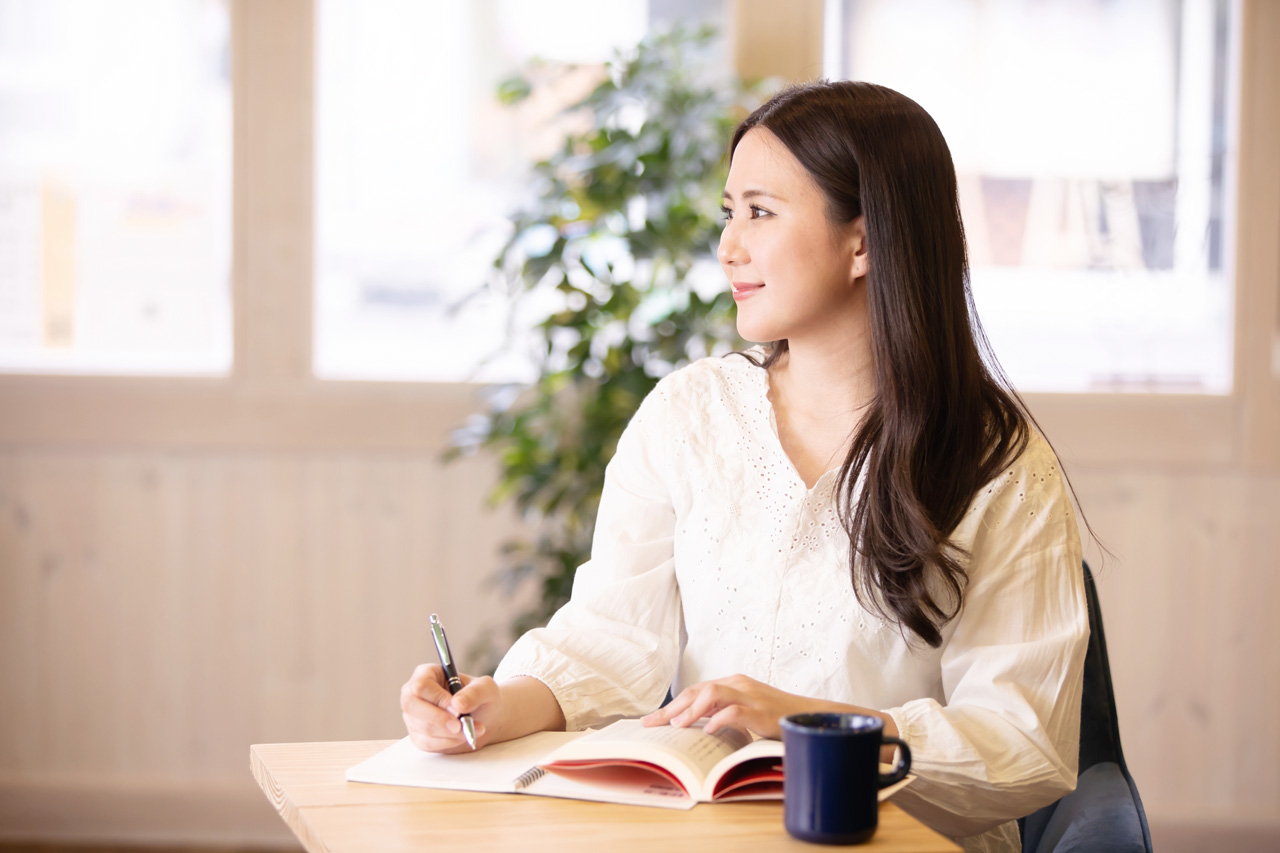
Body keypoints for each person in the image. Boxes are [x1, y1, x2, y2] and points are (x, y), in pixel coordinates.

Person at [400, 80, 1088, 853]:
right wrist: (494, 706)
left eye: (760, 211)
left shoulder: (998, 461)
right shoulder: (689, 413)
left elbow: (1023, 744)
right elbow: (609, 637)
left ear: (863, 241)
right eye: (730, 213)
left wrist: (813, 732)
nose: (729, 246)